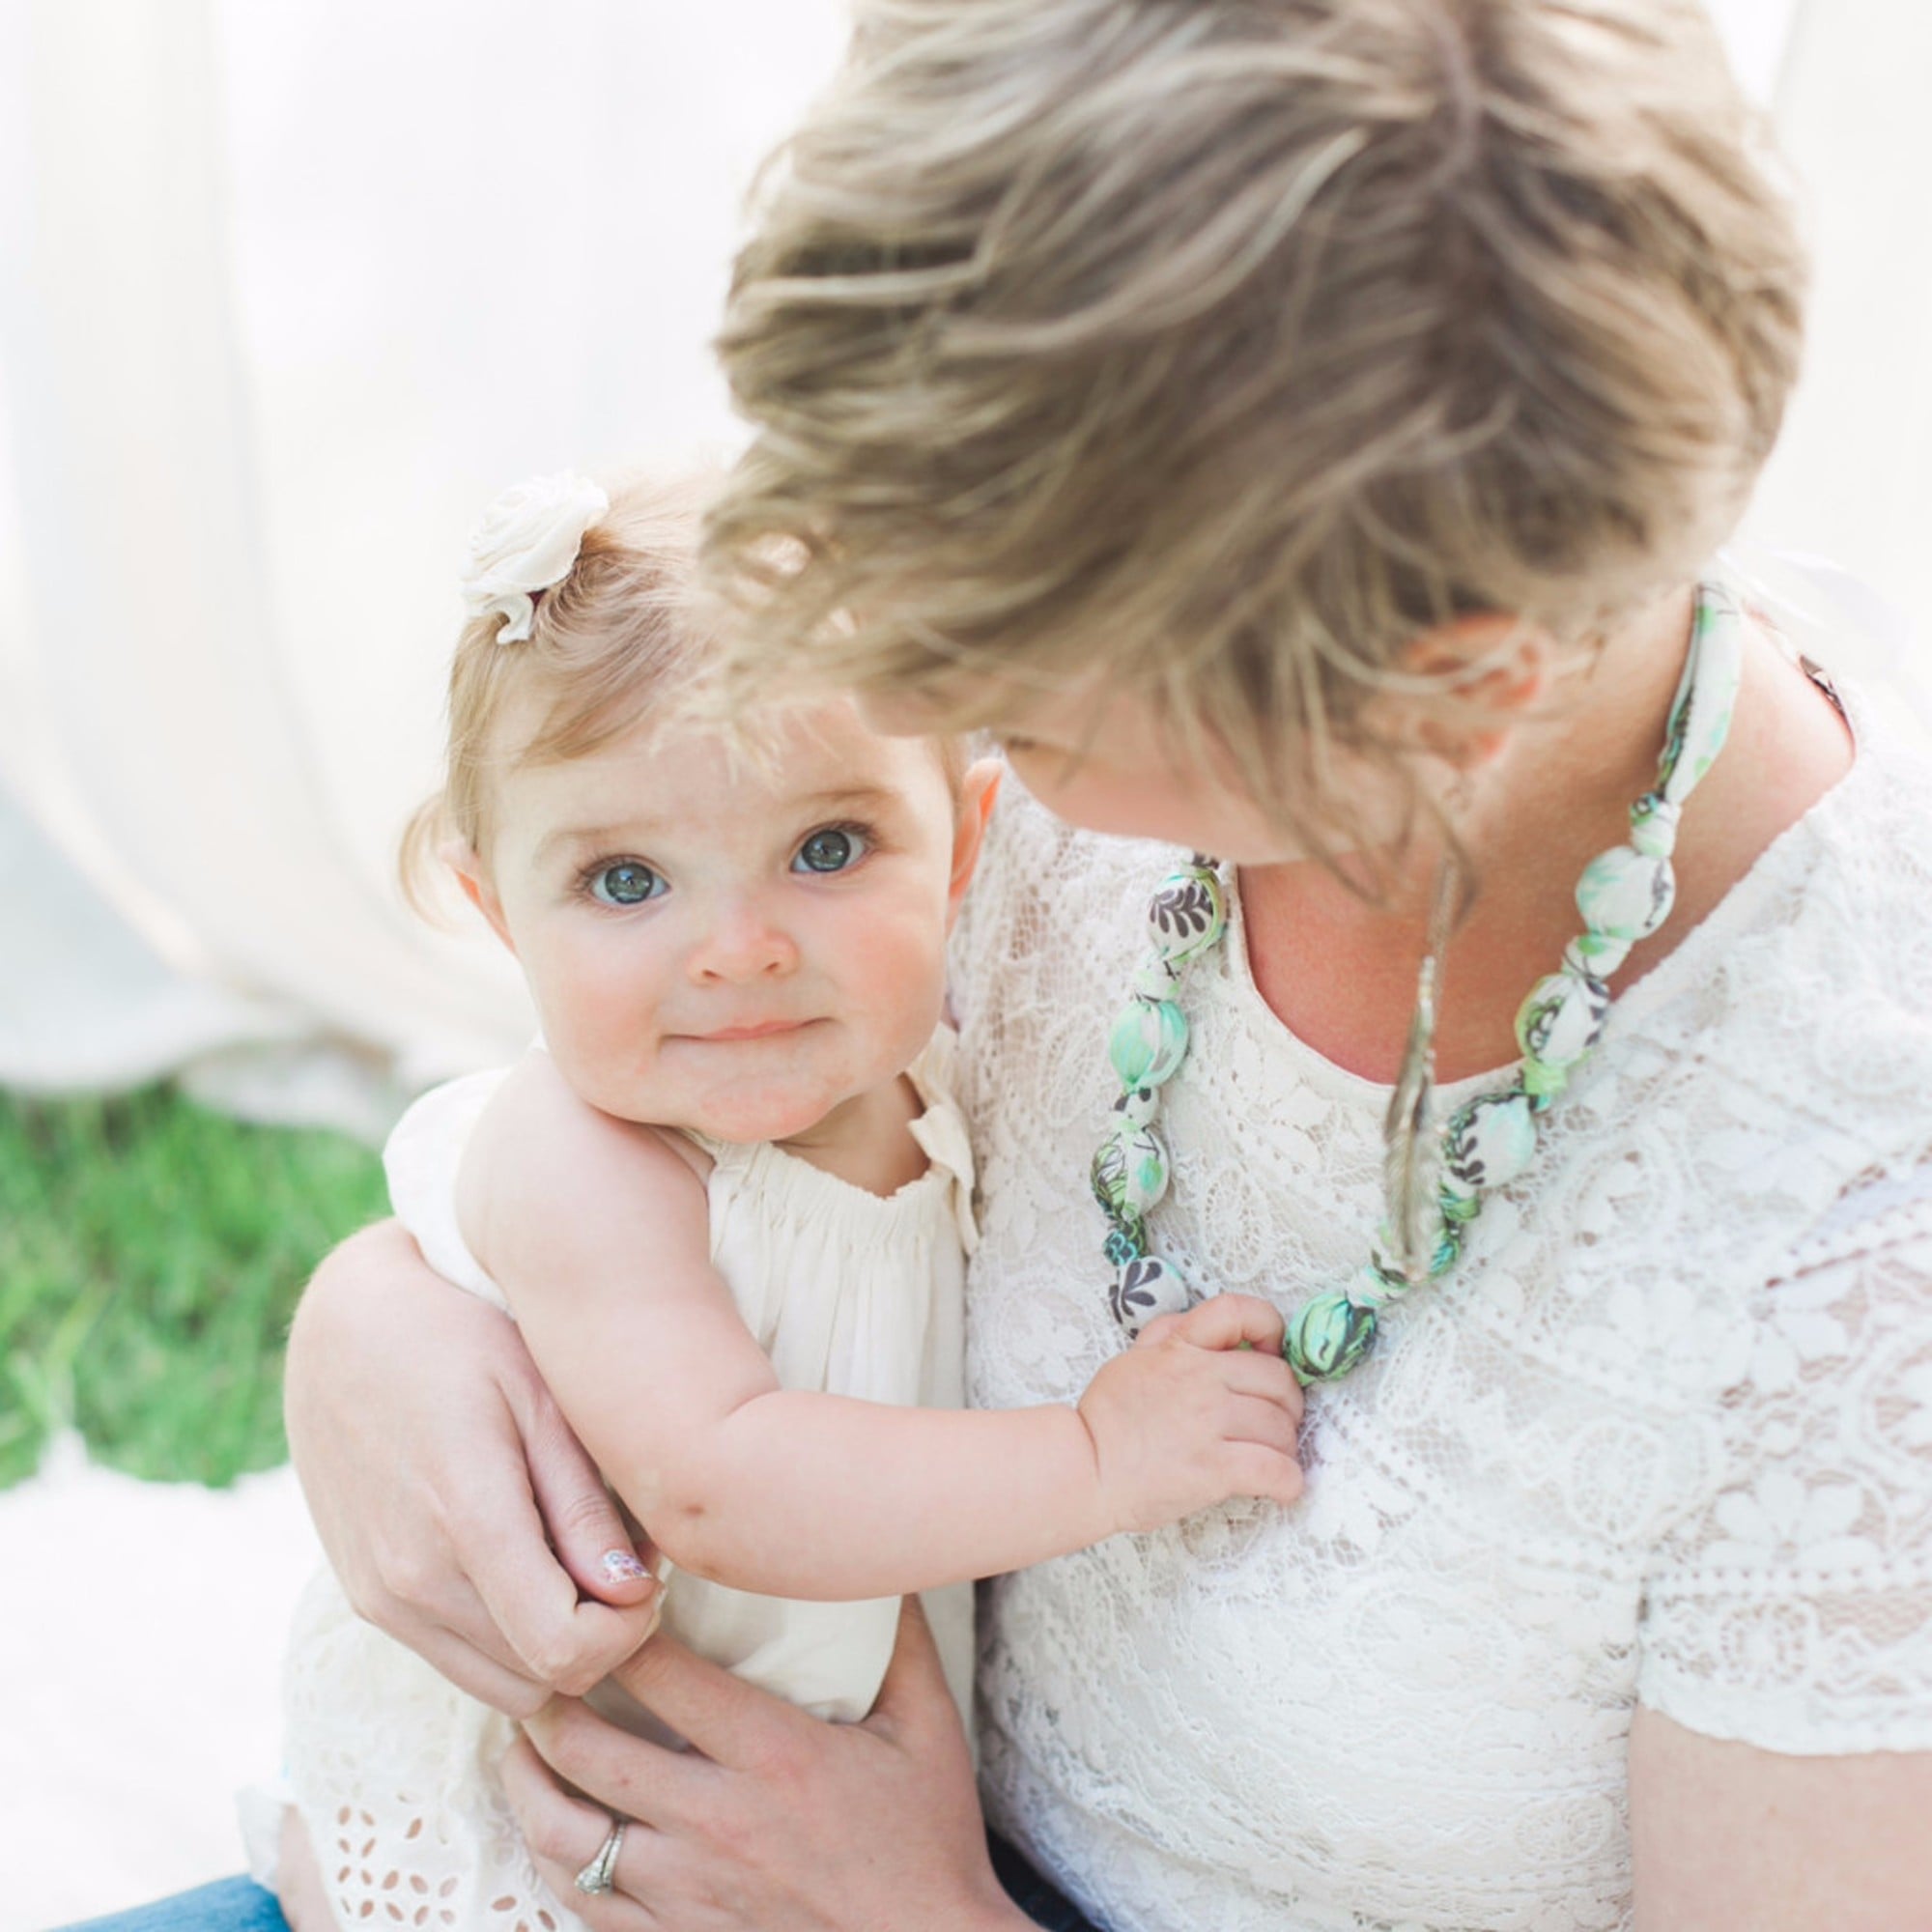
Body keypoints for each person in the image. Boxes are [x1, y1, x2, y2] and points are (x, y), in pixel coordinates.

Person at [90, 1, 1931, 1927]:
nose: (893, 698)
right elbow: (685, 1151)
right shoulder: (1119, 686)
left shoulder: (1850, 1247)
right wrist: (385, 1328)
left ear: (1444, 691)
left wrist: (921, 1910)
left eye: (1013, 691)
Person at [247, 470, 1307, 1931]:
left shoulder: (924, 1080)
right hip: (554, 1812)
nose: (737, 949)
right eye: (626, 881)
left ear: (965, 843)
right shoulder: (593, 1157)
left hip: (797, 1816)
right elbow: (716, 1482)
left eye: (825, 850)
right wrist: (1098, 1456)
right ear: (497, 911)